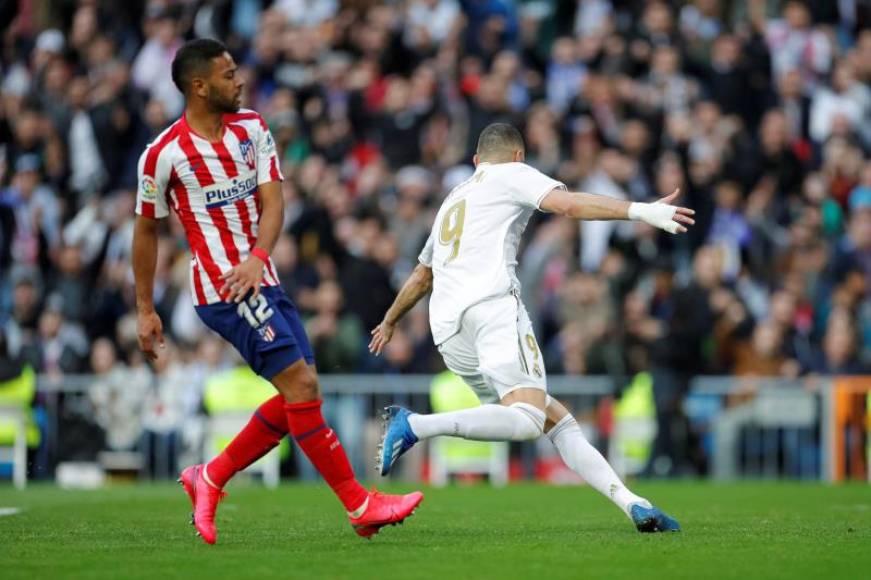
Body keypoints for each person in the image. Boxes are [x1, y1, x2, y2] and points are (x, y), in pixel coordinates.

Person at [131, 39, 422, 545]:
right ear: (199, 87)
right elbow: (146, 231)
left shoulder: (253, 128)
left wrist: (258, 259)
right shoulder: (163, 156)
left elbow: (274, 202)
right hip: (222, 290)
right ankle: (359, 504)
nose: (239, 80)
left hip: (262, 279)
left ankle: (211, 476)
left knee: (299, 395)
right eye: (227, 75)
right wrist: (144, 308)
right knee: (304, 389)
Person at [369, 123, 689, 532]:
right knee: (527, 419)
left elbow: (420, 276)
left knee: (553, 420)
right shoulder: (513, 173)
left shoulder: (453, 198)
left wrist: (390, 320)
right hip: (491, 309)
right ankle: (415, 424)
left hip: (448, 330)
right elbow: (569, 206)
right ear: (519, 156)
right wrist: (641, 210)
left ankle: (633, 504)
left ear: (475, 161)